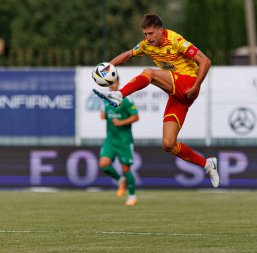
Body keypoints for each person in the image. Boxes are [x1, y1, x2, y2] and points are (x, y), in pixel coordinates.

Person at [93, 14, 219, 188]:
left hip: (189, 83)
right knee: (168, 144)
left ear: (161, 31)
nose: (147, 38)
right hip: (177, 95)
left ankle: (120, 94)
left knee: (150, 73)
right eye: (145, 34)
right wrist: (108, 67)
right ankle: (208, 164)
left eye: (151, 33)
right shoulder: (146, 45)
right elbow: (128, 55)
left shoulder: (175, 40)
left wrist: (197, 85)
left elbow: (205, 61)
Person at [98, 77, 139, 206]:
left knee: (126, 168)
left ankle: (132, 196)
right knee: (103, 164)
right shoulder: (106, 99)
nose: (111, 85)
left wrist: (121, 122)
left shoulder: (126, 99)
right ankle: (120, 180)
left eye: (113, 82)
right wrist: (103, 115)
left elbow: (136, 117)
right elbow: (105, 114)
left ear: (119, 83)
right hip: (110, 139)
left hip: (124, 141)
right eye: (109, 83)